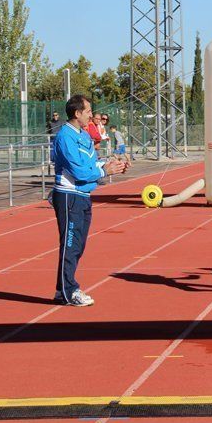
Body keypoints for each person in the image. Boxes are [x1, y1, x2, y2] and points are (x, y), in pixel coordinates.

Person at [51, 95, 129, 306]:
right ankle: (69, 290)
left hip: (83, 196)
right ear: (77, 114)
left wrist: (112, 163)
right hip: (69, 196)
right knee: (70, 244)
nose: (91, 116)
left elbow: (92, 163)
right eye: (87, 112)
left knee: (78, 245)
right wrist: (104, 170)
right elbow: (79, 170)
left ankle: (63, 290)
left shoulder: (83, 136)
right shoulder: (65, 137)